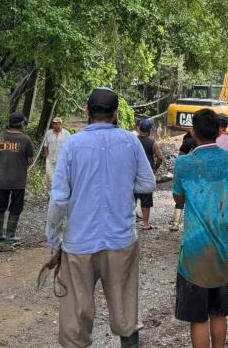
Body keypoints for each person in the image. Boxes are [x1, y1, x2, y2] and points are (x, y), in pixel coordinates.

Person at [46, 88, 155, 348]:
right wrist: (121, 185)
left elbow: (59, 199)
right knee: (125, 309)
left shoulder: (73, 144)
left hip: (79, 243)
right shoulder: (130, 141)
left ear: (87, 110)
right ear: (116, 113)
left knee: (75, 313)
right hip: (121, 241)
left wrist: (52, 236)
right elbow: (147, 183)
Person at [173, 108, 228, 348]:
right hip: (222, 249)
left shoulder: (184, 163)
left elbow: (179, 200)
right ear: (219, 131)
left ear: (193, 132)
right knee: (219, 313)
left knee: (198, 318)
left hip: (194, 251)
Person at [0, 112, 34, 245]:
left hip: (2, 180)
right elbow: (30, 160)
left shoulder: (0, 137)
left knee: (0, 208)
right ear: (21, 124)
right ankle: (10, 236)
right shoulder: (25, 140)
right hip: (18, 181)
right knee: (15, 208)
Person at [134, 118, 164, 230]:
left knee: (131, 198)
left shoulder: (133, 140)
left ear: (139, 128)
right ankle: (145, 224)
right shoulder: (153, 143)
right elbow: (160, 158)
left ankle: (129, 223)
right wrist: (154, 169)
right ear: (149, 130)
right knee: (146, 199)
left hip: (133, 173)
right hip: (147, 173)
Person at [170, 132, 197, 232]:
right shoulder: (200, 143)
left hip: (185, 173)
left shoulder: (187, 142)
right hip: (196, 174)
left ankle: (175, 224)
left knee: (180, 199)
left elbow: (180, 158)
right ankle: (192, 225)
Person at [43, 117, 72, 188]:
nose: (54, 125)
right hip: (50, 159)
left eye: (56, 124)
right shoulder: (48, 133)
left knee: (61, 178)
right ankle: (51, 194)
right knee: (49, 178)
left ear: (60, 124)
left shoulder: (66, 134)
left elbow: (70, 147)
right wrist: (47, 156)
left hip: (62, 160)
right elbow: (45, 145)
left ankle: (59, 194)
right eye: (53, 124)